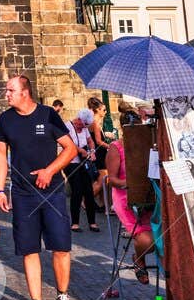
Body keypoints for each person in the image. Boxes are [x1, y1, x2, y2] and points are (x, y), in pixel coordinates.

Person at [0, 74, 78, 300]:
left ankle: (63, 299)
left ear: (24, 93)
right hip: (22, 194)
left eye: (10, 90)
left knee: (61, 247)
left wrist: (49, 170)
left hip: (51, 191)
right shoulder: (6, 119)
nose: (6, 94)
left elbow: (70, 149)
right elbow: (0, 154)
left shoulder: (48, 115)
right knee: (29, 249)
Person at [104, 133, 154, 283]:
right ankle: (138, 259)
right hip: (125, 196)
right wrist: (131, 183)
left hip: (148, 195)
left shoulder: (149, 143)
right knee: (147, 240)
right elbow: (112, 179)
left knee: (167, 238)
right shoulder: (116, 147)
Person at [64, 105, 99, 234]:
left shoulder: (84, 129)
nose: (83, 128)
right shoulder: (67, 126)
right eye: (82, 125)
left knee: (89, 191)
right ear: (78, 119)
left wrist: (92, 151)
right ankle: (75, 223)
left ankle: (92, 222)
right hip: (71, 163)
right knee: (77, 191)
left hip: (84, 163)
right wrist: (80, 151)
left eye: (85, 126)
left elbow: (90, 141)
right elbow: (68, 144)